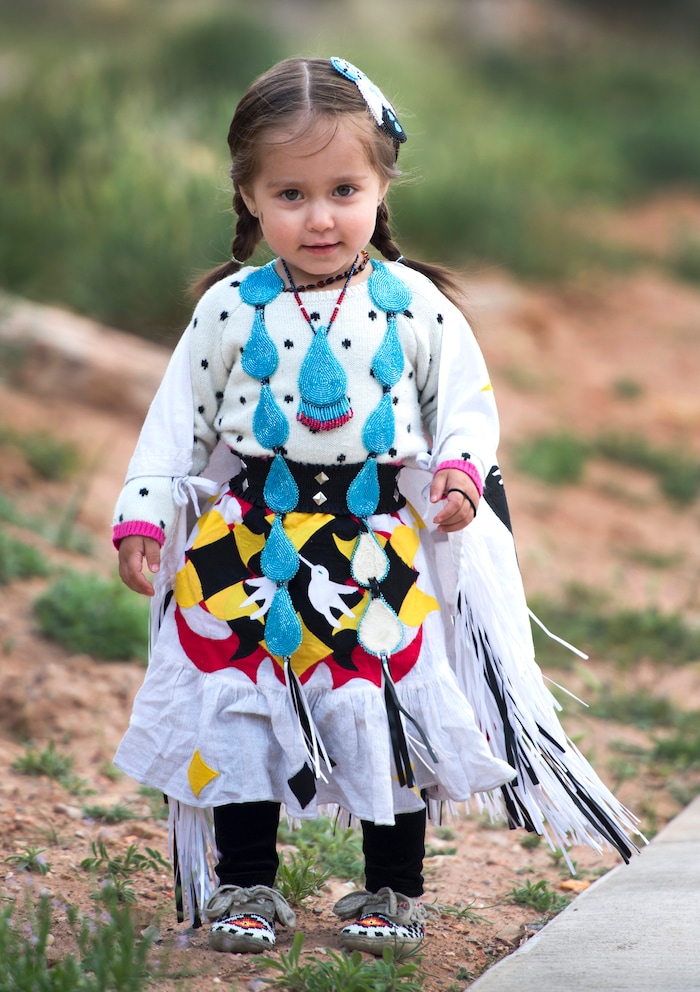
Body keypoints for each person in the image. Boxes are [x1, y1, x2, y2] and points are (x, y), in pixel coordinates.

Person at [113, 56, 640, 957]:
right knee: (242, 704)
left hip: (374, 549)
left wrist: (461, 476)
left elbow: (466, 407)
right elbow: (177, 422)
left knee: (385, 711)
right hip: (244, 546)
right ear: (247, 196)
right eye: (290, 193)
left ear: (381, 183)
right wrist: (145, 516)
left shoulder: (416, 307)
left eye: (343, 189)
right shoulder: (229, 310)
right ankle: (247, 884)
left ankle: (392, 891)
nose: (319, 217)